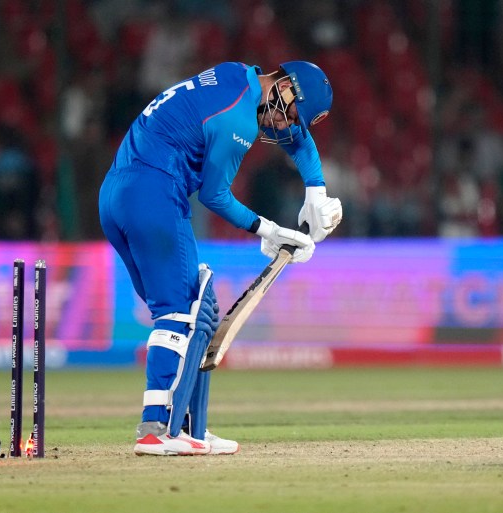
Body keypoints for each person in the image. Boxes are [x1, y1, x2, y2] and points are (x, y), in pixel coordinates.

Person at [99, 60, 342, 456]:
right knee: (180, 312)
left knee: (199, 309)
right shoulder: (238, 121)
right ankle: (155, 430)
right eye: (292, 115)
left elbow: (298, 139)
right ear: (285, 87)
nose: (285, 126)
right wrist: (268, 231)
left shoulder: (238, 76)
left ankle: (188, 426)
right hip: (154, 194)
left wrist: (316, 190)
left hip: (117, 194)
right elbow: (214, 195)